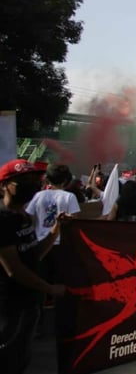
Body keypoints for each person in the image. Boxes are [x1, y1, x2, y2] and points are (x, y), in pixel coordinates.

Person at [0, 159, 67, 374]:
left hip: (29, 302)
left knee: (21, 357)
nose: (32, 185)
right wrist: (49, 289)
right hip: (8, 304)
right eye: (23, 181)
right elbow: (14, 269)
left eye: (34, 180)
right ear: (4, 185)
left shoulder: (24, 217)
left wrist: (55, 231)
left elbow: (34, 254)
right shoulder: (2, 220)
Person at [24, 164, 80, 302]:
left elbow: (29, 216)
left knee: (41, 276)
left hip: (39, 244)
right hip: (61, 243)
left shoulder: (38, 195)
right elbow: (75, 220)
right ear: (66, 180)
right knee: (59, 277)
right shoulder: (69, 197)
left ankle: (43, 303)